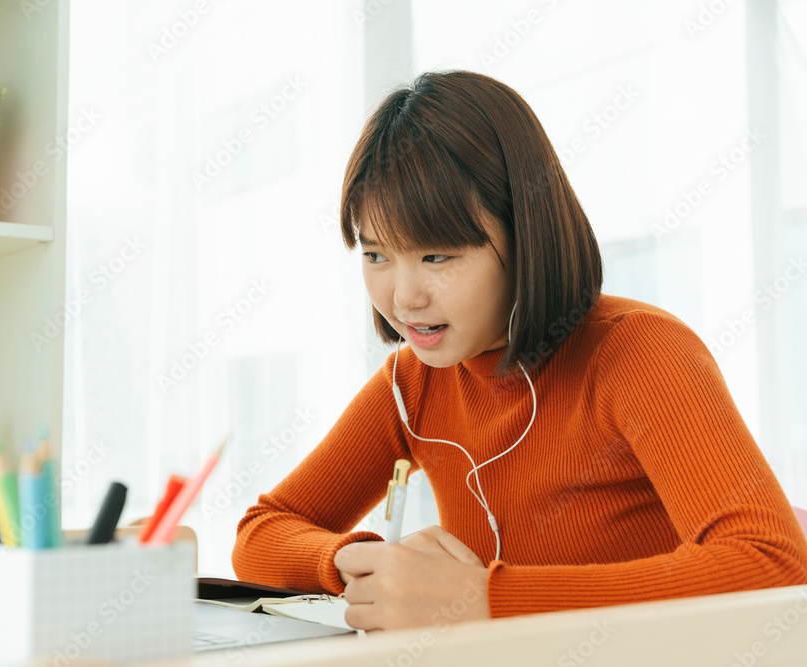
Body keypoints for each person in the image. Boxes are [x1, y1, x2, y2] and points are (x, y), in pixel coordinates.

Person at [231, 70, 807, 631]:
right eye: (377, 255)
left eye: (438, 256)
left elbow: (772, 562)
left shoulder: (638, 353)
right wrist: (361, 564)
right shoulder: (412, 383)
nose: (403, 296)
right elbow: (262, 533)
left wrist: (485, 598)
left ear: (525, 233)